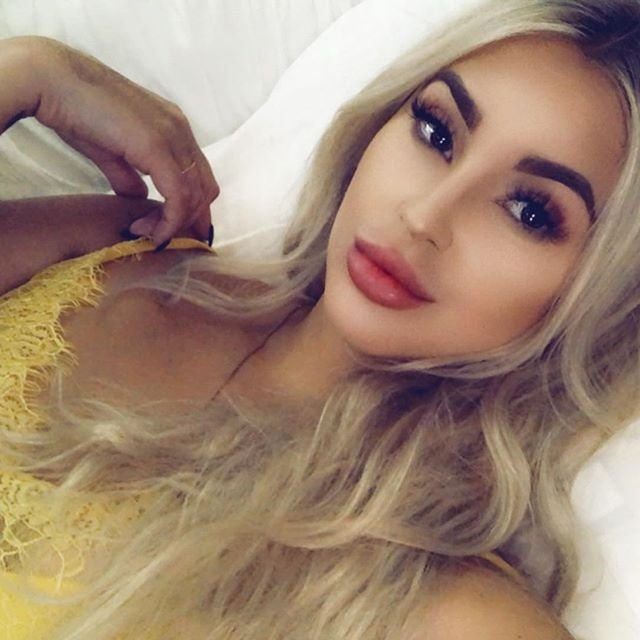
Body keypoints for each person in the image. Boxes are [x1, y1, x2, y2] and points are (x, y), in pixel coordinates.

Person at [0, 0, 639, 638]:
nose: (424, 215)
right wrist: (29, 70)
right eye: (437, 133)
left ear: (598, 302)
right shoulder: (121, 247)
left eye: (530, 212)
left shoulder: (457, 613)